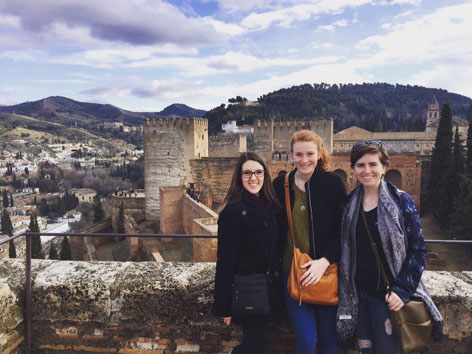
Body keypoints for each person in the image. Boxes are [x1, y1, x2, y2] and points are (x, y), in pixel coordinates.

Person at [336, 141, 443, 353]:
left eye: (373, 164)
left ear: (384, 167)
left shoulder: (402, 201)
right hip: (358, 296)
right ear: (353, 168)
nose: (367, 171)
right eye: (360, 165)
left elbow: (418, 249)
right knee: (364, 349)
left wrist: (402, 290)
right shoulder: (349, 204)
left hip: (388, 297)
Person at [273, 130, 346, 354]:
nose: (304, 160)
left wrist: (324, 260)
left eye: (309, 154)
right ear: (291, 156)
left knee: (330, 344)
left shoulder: (333, 183)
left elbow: (342, 229)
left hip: (325, 272)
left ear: (320, 153)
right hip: (292, 271)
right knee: (306, 340)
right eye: (299, 154)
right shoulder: (281, 185)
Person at [213, 151, 283, 354]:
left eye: (259, 172)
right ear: (239, 177)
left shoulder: (272, 206)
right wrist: (223, 305)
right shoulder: (232, 213)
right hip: (248, 291)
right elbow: (225, 261)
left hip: (272, 290)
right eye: (247, 173)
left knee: (258, 346)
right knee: (257, 347)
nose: (254, 178)